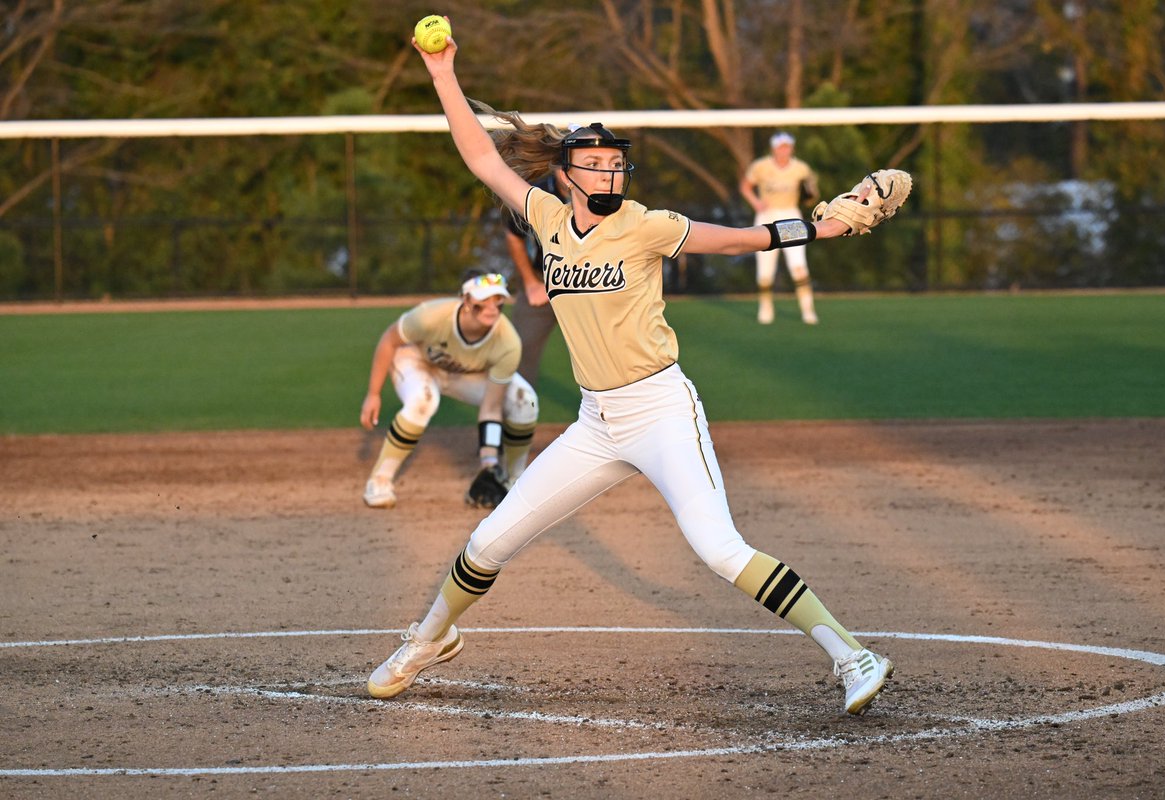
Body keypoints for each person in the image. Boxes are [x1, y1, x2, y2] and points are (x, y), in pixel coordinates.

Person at [367, 32, 896, 716]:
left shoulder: (647, 225)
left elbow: (742, 240)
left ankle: (853, 655)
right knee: (486, 542)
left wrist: (824, 229)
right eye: (594, 164)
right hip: (596, 423)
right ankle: (429, 640)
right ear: (566, 176)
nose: (610, 174)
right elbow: (479, 155)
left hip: (661, 410)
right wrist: (443, 73)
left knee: (718, 549)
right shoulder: (546, 218)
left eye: (616, 163)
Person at [359, 269, 538, 510]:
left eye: (497, 300)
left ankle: (512, 481)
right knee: (423, 400)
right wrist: (373, 394)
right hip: (416, 360)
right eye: (483, 300)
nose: (492, 308)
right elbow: (389, 341)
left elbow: (491, 408)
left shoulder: (508, 342)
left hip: (463, 374)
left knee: (525, 400)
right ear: (466, 300)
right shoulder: (430, 316)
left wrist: (488, 463)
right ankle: (379, 480)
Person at [739, 131, 821, 325]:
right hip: (767, 216)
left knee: (798, 265)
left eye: (787, 147)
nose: (784, 151)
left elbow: (811, 194)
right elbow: (745, 186)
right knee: (765, 269)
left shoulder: (800, 168)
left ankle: (808, 309)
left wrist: (811, 194)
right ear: (774, 148)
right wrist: (756, 203)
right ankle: (765, 307)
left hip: (790, 216)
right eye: (780, 147)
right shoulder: (761, 166)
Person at [503, 173, 566, 388]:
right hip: (543, 278)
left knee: (605, 350)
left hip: (591, 282)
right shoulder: (534, 195)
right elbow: (513, 235)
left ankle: (611, 408)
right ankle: (517, 407)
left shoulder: (604, 194)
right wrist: (531, 282)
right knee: (518, 350)